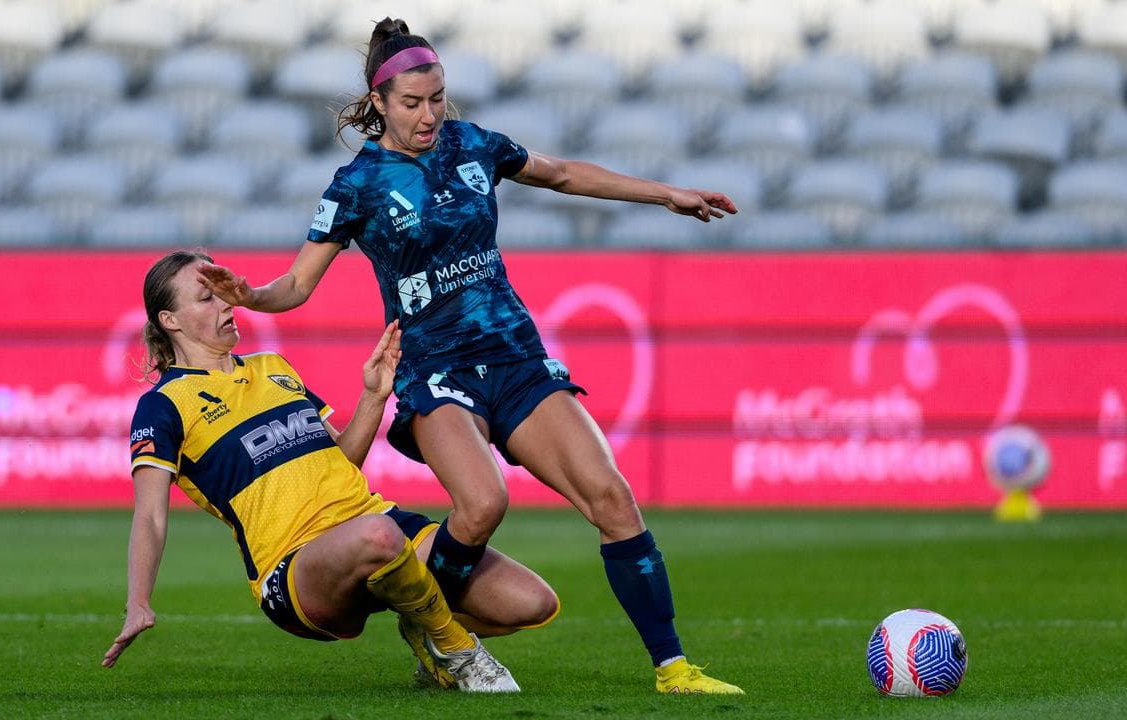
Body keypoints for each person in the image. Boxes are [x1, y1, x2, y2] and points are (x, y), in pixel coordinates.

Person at [197, 18, 744, 695]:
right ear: (378, 103)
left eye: (437, 99)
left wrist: (667, 194)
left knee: (612, 498)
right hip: (434, 370)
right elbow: (297, 286)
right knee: (483, 504)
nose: (429, 115)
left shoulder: (474, 144)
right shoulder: (356, 184)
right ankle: (437, 631)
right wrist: (253, 295)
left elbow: (562, 174)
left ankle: (674, 670)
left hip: (514, 356)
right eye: (411, 103)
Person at [102, 249, 559, 693]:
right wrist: (138, 601)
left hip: (370, 524)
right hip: (295, 566)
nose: (227, 303)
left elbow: (343, 460)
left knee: (533, 603)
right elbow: (150, 515)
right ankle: (455, 647)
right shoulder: (163, 406)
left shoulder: (272, 367)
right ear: (170, 320)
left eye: (223, 292)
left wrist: (374, 395)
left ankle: (418, 623)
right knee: (379, 536)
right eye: (207, 298)